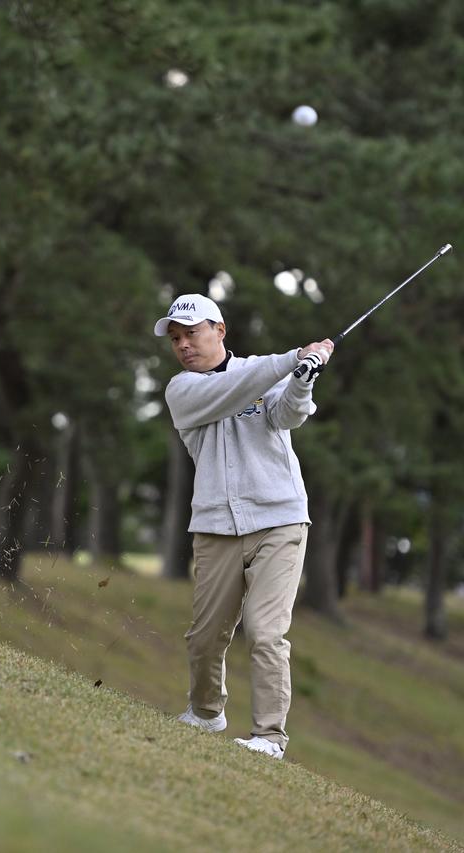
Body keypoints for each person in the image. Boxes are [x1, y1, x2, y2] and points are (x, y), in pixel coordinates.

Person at [155, 292, 333, 760]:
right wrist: (293, 359)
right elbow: (235, 389)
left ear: (220, 330)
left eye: (191, 333)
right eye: (176, 338)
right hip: (216, 525)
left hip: (280, 519)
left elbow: (287, 415)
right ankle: (206, 712)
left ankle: (269, 737)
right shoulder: (183, 391)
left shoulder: (263, 372)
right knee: (205, 636)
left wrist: (303, 380)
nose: (183, 345)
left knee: (266, 631)